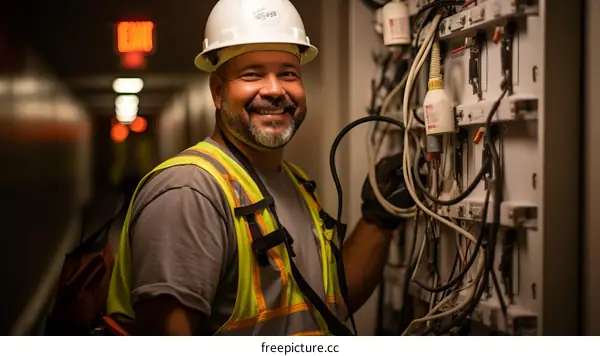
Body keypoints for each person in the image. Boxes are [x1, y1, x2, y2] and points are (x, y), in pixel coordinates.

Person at [105, 0, 415, 336]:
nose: (274, 90)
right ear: (218, 92)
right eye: (252, 74)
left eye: (288, 73)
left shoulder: (295, 182)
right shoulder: (190, 192)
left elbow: (327, 305)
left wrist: (378, 218)